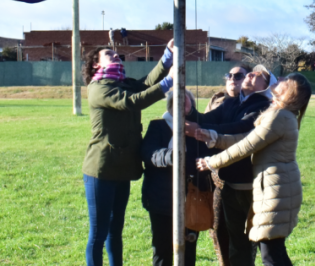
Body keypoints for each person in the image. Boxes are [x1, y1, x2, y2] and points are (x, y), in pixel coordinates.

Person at [196, 73, 312, 266]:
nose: (279, 79)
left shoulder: (279, 116)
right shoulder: (282, 114)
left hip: (276, 191)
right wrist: (214, 138)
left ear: (290, 92)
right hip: (279, 188)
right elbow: (247, 138)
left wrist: (212, 162)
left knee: (271, 255)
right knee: (275, 253)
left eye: (284, 81)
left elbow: (246, 146)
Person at [81, 40, 175, 266]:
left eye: (116, 54)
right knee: (98, 234)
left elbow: (145, 84)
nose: (116, 56)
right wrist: (169, 82)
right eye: (109, 54)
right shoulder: (98, 88)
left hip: (122, 169)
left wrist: (167, 58)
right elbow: (132, 101)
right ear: (96, 65)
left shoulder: (121, 83)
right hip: (101, 170)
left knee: (116, 231)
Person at [186, 65, 276, 266]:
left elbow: (240, 128)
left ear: (266, 86)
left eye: (258, 75)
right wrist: (189, 110)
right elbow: (208, 118)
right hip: (229, 183)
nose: (250, 74)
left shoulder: (264, 106)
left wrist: (202, 130)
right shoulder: (231, 103)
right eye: (232, 75)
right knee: (235, 243)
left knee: (264, 246)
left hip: (252, 187)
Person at [141, 89, 207, 266]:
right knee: (162, 251)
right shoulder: (158, 126)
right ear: (169, 106)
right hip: (162, 200)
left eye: (186, 103)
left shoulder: (198, 129)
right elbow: (149, 153)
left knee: (189, 251)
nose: (181, 107)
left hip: (191, 200)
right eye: (176, 103)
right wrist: (171, 156)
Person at [205, 65, 250, 266]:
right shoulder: (216, 101)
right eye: (229, 75)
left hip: (245, 180)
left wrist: (210, 134)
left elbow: (240, 134)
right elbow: (204, 123)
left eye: (239, 75)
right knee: (218, 229)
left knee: (244, 236)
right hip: (217, 178)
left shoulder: (253, 105)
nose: (233, 79)